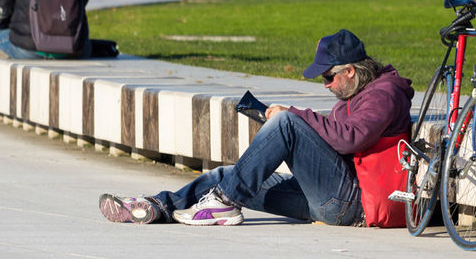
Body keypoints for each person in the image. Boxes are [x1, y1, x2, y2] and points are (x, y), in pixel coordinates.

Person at [98, 29, 413, 227]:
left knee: (288, 122)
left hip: (355, 203)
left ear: (351, 70)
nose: (326, 85)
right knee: (226, 176)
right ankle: (157, 206)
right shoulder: (354, 95)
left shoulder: (383, 95)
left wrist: (295, 117)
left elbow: (350, 139)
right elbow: (337, 143)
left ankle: (223, 204)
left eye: (328, 77)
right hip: (331, 197)